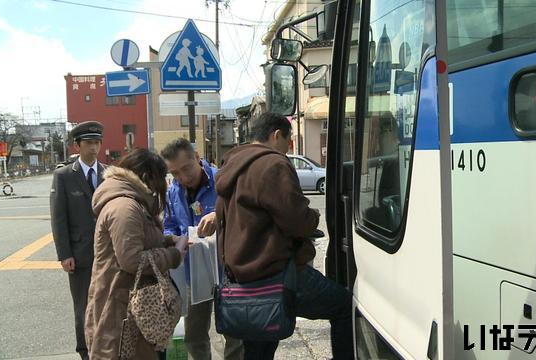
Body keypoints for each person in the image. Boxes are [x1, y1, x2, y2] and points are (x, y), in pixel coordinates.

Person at [215, 112, 354, 360]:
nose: (288, 150)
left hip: (243, 279)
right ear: (276, 135)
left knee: (259, 347)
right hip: (277, 274)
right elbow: (297, 221)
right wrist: (313, 217)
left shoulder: (231, 165)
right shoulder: (273, 164)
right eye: (288, 142)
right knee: (343, 306)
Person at [85, 149, 188, 360]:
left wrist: (170, 240)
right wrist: (174, 254)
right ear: (148, 177)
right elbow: (132, 260)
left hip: (131, 305)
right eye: (161, 179)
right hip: (121, 309)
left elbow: (142, 239)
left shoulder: (132, 201)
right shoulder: (125, 207)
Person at [161, 138, 243, 360]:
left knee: (235, 332)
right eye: (175, 172)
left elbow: (243, 214)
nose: (182, 177)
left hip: (227, 270)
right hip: (192, 272)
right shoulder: (172, 191)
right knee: (194, 334)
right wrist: (173, 238)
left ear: (197, 157)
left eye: (186, 168)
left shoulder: (223, 180)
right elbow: (168, 225)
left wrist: (220, 215)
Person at [50, 121, 105, 360]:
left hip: (107, 254)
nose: (94, 148)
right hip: (79, 255)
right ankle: (85, 352)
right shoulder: (63, 176)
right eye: (89, 143)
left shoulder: (109, 173)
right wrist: (64, 254)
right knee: (83, 307)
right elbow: (58, 217)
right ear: (78, 145)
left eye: (97, 143)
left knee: (107, 304)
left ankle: (105, 349)